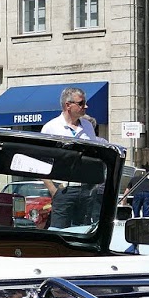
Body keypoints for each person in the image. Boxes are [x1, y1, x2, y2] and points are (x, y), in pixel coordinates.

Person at [40, 87, 98, 226]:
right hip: (64, 189)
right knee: (59, 232)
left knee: (84, 232)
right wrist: (53, 189)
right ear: (68, 105)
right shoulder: (51, 128)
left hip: (86, 189)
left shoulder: (88, 127)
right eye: (81, 103)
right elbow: (41, 161)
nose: (86, 106)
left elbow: (95, 155)